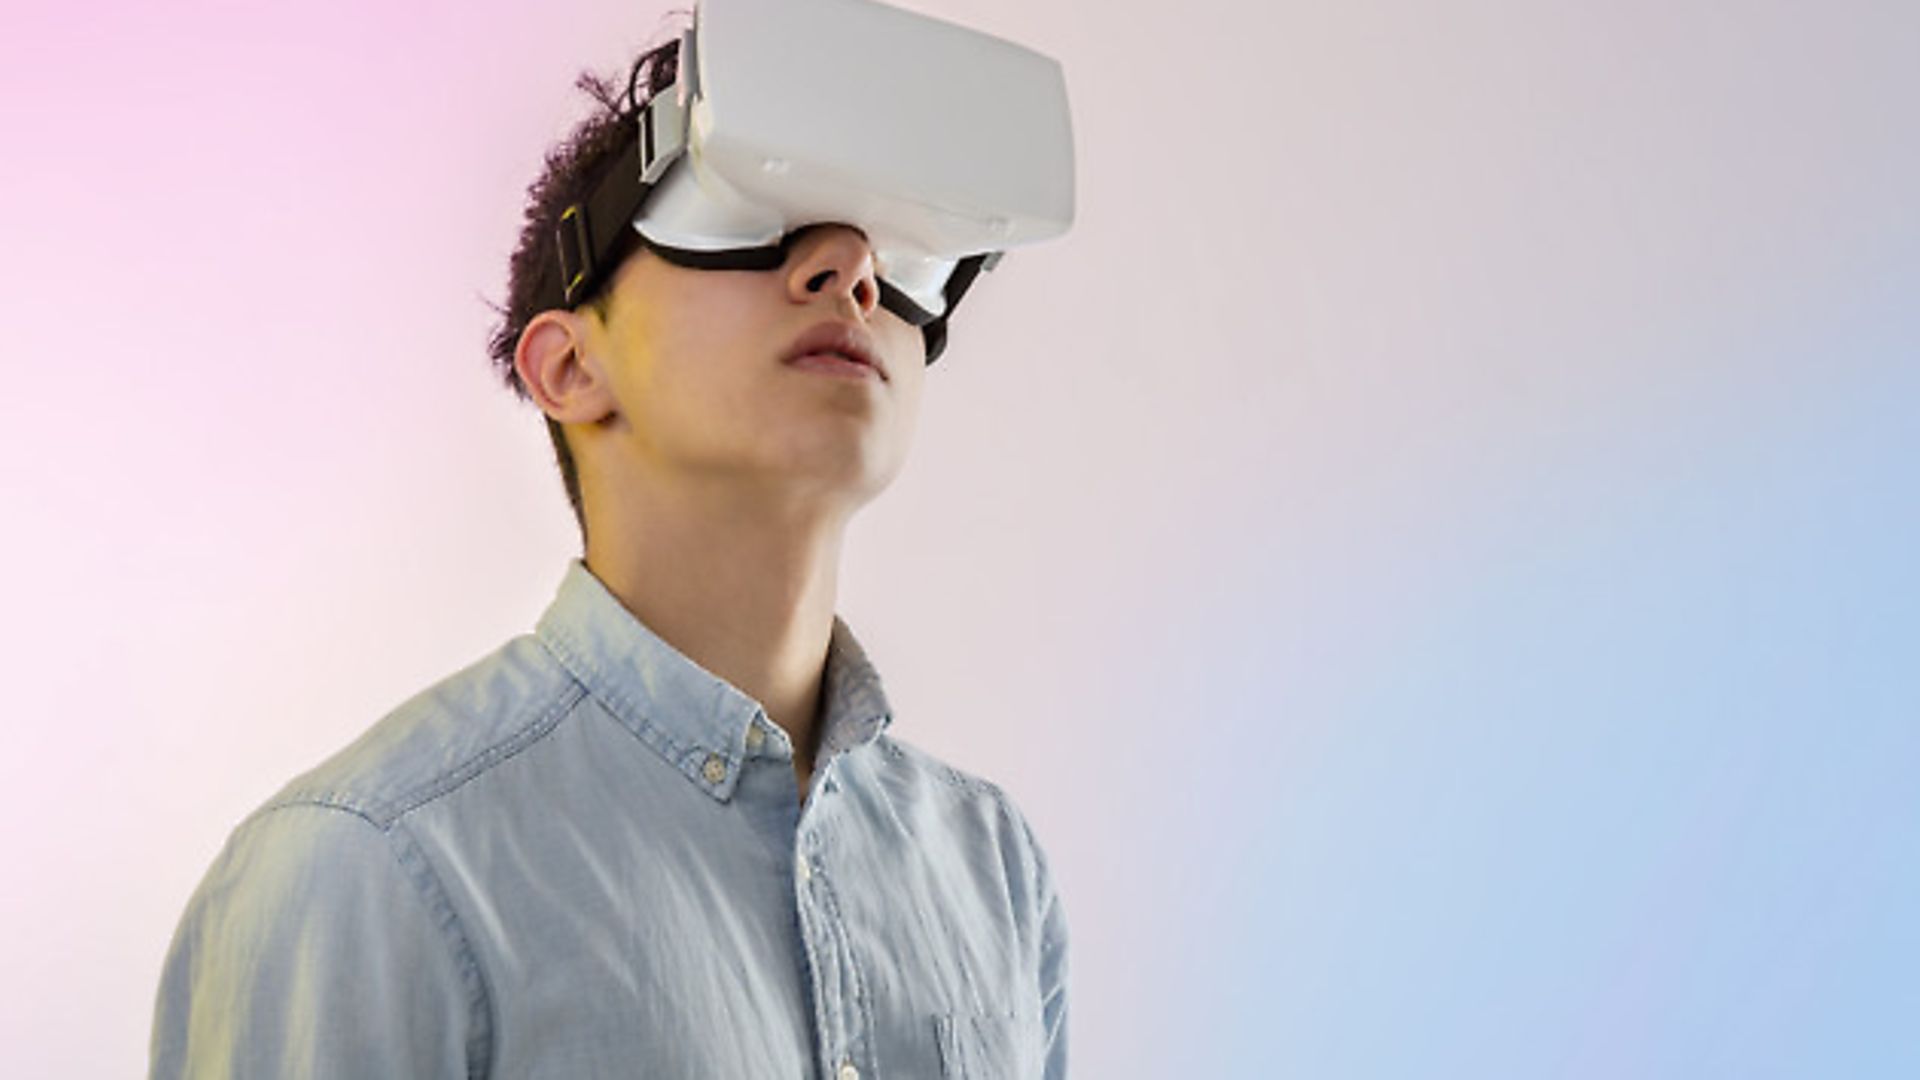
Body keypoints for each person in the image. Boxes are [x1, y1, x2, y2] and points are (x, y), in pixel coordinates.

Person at [148, 28, 1069, 1080]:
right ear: (570, 367)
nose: (850, 269)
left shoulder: (993, 870)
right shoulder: (368, 865)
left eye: (897, 254)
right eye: (739, 217)